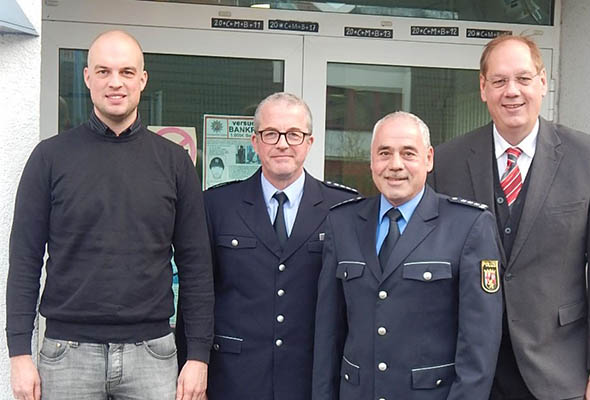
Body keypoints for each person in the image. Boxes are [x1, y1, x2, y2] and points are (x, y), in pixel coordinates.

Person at [6, 30, 213, 400]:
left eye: (126, 72)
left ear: (143, 80)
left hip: (152, 352)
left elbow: (196, 265)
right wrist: (19, 352)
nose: (115, 82)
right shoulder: (50, 159)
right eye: (103, 71)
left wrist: (197, 355)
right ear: (87, 78)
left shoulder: (174, 163)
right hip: (66, 354)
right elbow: (24, 260)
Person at [429, 34, 590, 400]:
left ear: (543, 83)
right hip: (470, 373)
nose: (512, 91)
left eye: (523, 79)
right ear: (482, 88)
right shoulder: (447, 162)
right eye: (499, 80)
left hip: (558, 371)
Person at [176, 92, 358, 400]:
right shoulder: (218, 205)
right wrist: (192, 362)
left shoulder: (344, 208)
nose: (282, 143)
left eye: (294, 134)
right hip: (233, 378)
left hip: (311, 380)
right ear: (255, 141)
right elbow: (198, 291)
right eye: (270, 133)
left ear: (309, 143)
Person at [312, 111, 503, 400]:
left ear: (428, 158)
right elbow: (328, 335)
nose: (395, 165)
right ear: (372, 162)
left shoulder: (468, 225)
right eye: (384, 153)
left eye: (408, 153)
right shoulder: (343, 223)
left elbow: (479, 346)